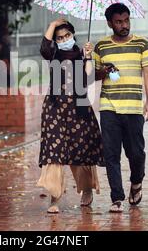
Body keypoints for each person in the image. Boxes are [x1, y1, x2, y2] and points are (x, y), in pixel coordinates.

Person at [37, 18, 105, 213]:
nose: (64, 39)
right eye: (60, 37)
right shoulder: (54, 54)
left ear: (73, 35)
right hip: (55, 110)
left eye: (67, 35)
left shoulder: (81, 54)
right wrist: (51, 24)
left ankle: (87, 190)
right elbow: (44, 48)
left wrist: (89, 57)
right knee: (54, 153)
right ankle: (55, 198)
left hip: (79, 110)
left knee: (81, 151)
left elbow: (89, 78)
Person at [93, 3, 148, 213]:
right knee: (111, 154)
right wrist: (103, 69)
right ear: (110, 23)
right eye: (118, 22)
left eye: (126, 20)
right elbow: (92, 75)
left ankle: (136, 182)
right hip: (108, 106)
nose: (123, 25)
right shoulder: (101, 46)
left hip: (133, 107)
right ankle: (116, 198)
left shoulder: (142, 44)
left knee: (136, 153)